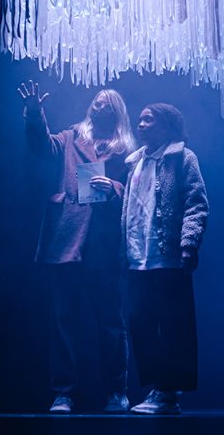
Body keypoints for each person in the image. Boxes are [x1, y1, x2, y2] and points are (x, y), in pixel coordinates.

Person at [18, 80, 136, 414]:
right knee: (63, 321)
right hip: (67, 238)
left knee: (111, 323)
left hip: (103, 242)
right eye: (96, 101)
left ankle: (117, 391)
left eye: (107, 103)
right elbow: (41, 147)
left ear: (115, 112)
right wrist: (33, 112)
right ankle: (63, 393)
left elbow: (138, 192)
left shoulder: (125, 150)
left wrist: (113, 188)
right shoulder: (71, 137)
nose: (99, 104)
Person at [122, 103, 209, 415]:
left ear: (168, 126)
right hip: (138, 258)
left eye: (149, 119)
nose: (140, 124)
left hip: (168, 258)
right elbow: (135, 209)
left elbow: (196, 202)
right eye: (140, 119)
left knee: (172, 327)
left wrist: (188, 243)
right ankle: (159, 389)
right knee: (139, 323)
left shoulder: (182, 157)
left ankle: (168, 393)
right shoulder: (135, 163)